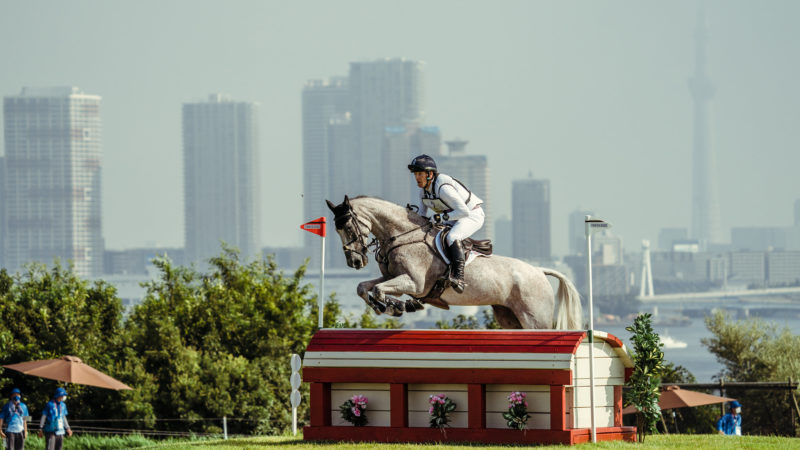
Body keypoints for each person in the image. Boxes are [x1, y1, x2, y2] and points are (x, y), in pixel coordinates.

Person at [408, 154, 484, 293]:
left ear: (430, 174)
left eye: (420, 174)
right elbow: (422, 216)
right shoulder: (423, 193)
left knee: (452, 237)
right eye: (415, 174)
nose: (417, 178)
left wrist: (439, 218)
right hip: (453, 216)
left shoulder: (443, 188)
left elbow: (464, 212)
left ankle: (459, 278)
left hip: (472, 215)